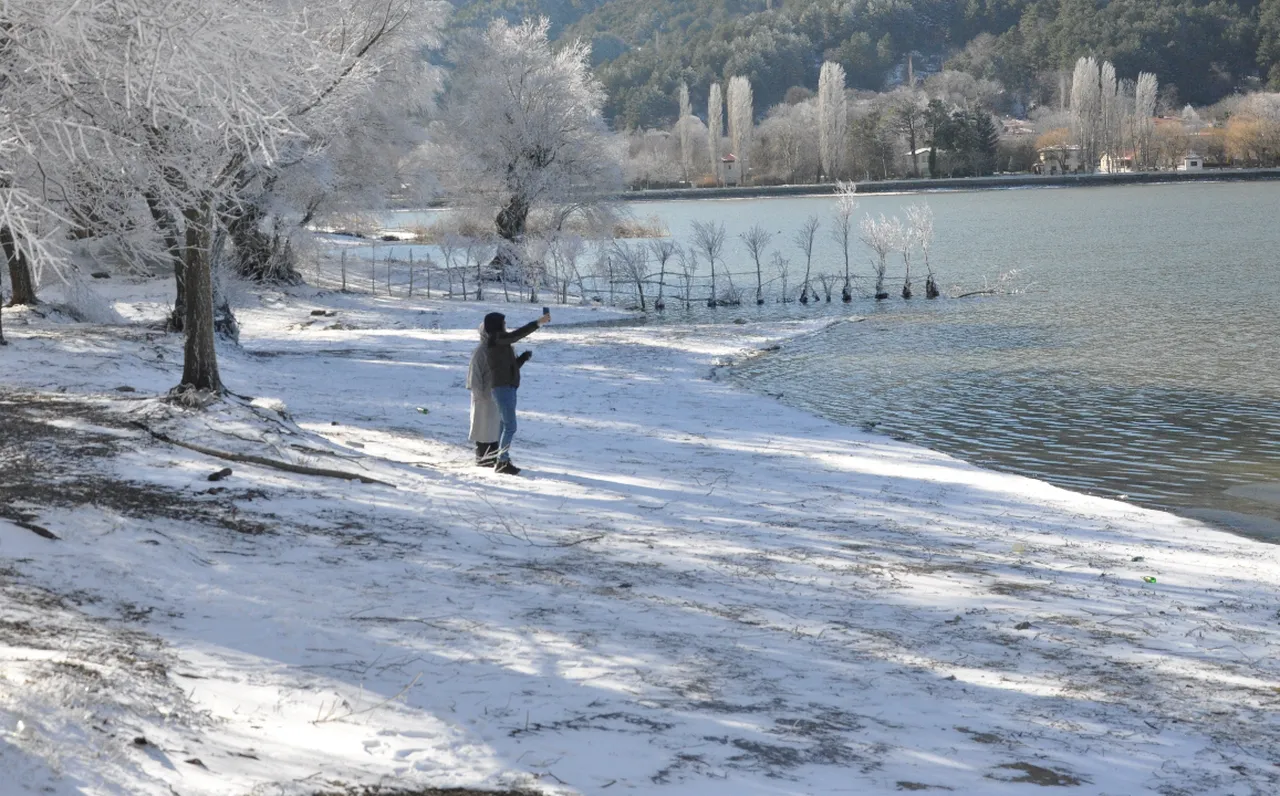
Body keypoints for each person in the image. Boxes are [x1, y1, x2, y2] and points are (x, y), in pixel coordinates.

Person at [483, 310, 550, 475]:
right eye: (503, 323)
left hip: (507, 387)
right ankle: (502, 461)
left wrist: (522, 358)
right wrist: (537, 323)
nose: (506, 325)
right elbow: (517, 335)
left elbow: (509, 368)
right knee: (510, 426)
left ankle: (500, 459)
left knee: (503, 425)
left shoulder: (501, 343)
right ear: (497, 325)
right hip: (503, 388)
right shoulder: (497, 339)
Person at [466, 322, 500, 467]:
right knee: (483, 430)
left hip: (497, 397)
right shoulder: (480, 352)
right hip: (484, 399)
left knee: (495, 430)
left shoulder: (501, 349)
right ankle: (483, 460)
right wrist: (480, 396)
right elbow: (474, 377)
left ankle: (493, 458)